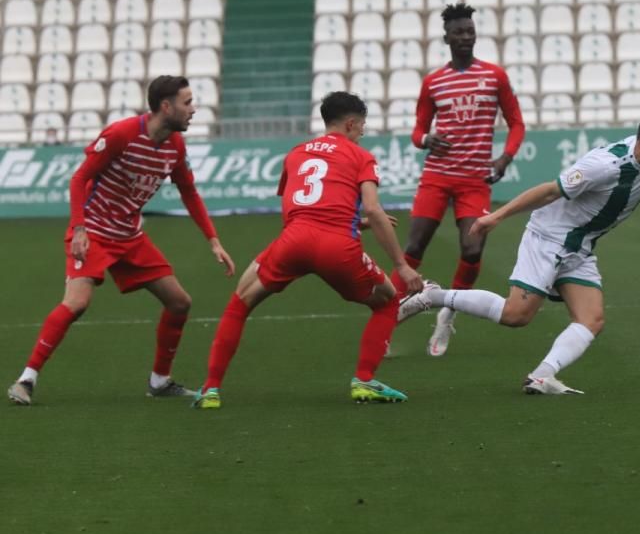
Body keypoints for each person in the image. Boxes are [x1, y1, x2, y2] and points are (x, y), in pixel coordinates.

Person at [395, 76, 640, 395]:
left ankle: (541, 376)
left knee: (592, 318)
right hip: (550, 237)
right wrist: (495, 217)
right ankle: (433, 296)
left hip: (579, 245)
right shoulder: (607, 166)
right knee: (516, 315)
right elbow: (550, 191)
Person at [7, 76, 236, 406]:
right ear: (166, 106)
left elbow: (188, 191)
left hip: (131, 237)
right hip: (94, 232)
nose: (193, 109)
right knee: (76, 303)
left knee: (179, 302)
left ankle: (159, 381)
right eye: (187, 102)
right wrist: (80, 229)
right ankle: (26, 379)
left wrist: (213, 240)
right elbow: (79, 178)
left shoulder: (175, 145)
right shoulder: (122, 134)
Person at [192, 92, 424, 409]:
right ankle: (364, 381)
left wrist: (348, 221)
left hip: (293, 240)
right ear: (352, 124)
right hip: (338, 247)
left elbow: (299, 203)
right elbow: (373, 209)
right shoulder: (360, 156)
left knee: (240, 302)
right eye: (362, 127)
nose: (363, 133)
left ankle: (210, 390)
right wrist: (402, 265)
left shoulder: (296, 153)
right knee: (387, 300)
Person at [398, 2, 525, 358]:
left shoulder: (494, 76)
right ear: (447, 37)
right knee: (413, 249)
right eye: (459, 32)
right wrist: (426, 140)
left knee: (472, 247)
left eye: (470, 30)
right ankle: (388, 318)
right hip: (437, 177)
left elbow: (517, 122)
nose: (466, 36)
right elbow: (418, 130)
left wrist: (504, 157)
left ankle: (446, 311)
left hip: (474, 181)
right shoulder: (434, 82)